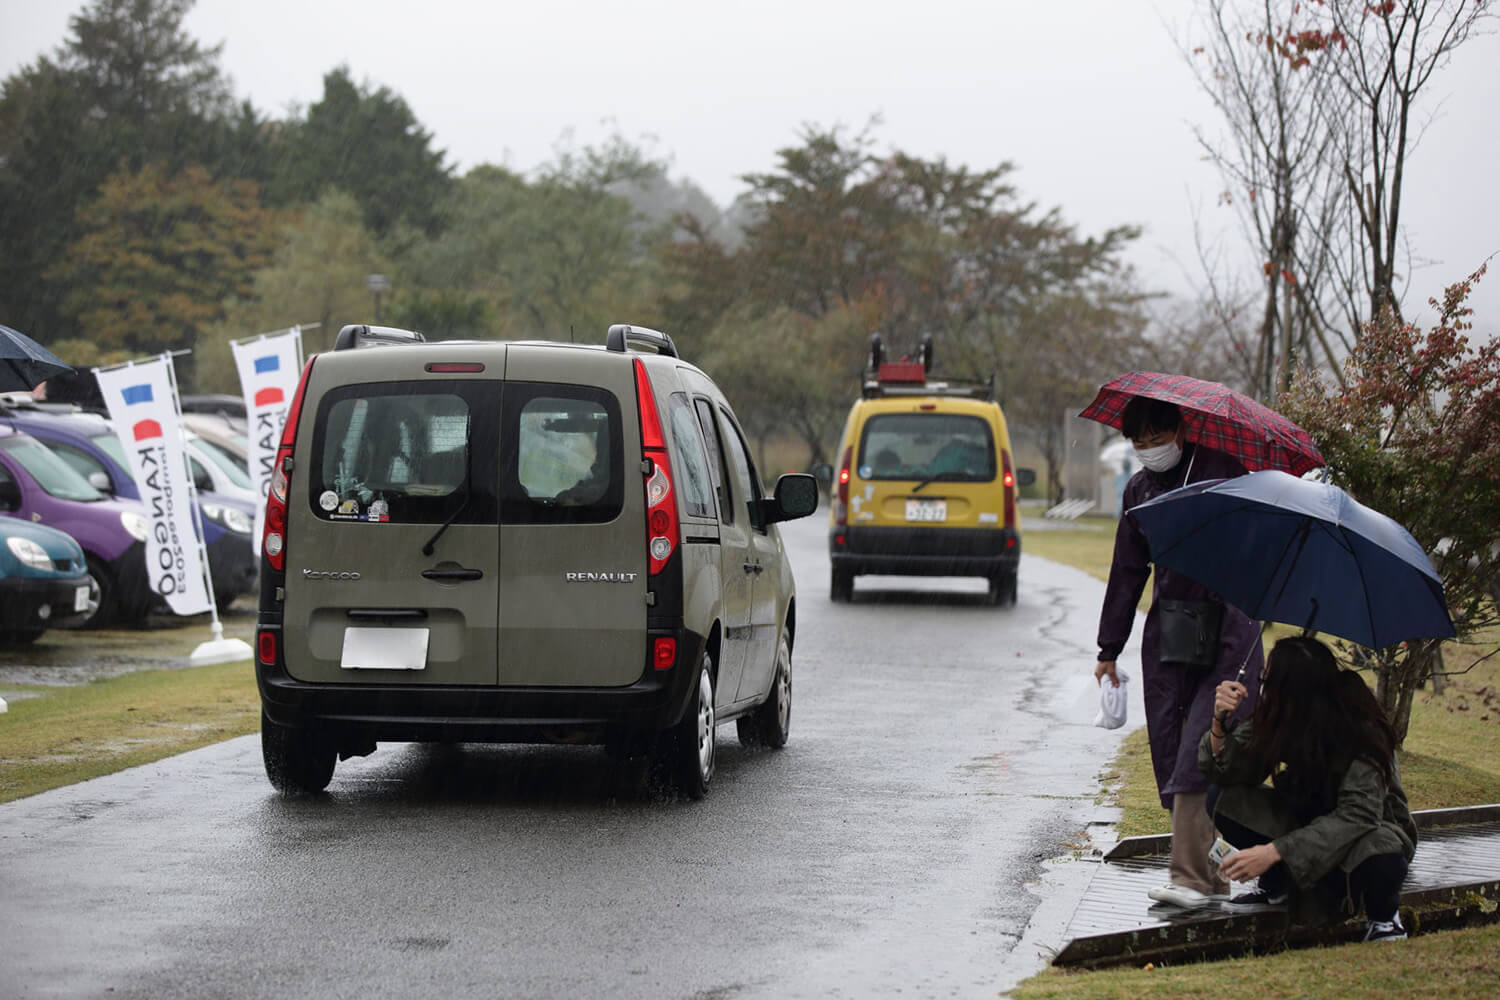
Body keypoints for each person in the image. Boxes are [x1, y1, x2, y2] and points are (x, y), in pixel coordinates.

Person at [1093, 396, 1265, 909]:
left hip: (1229, 624)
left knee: (1201, 748)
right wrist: (1108, 648)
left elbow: (1255, 546)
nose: (1148, 449)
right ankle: (1214, 877)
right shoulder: (1138, 490)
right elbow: (1127, 572)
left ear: (1180, 431)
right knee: (1170, 749)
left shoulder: (1223, 473)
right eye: (1138, 442)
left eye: (1155, 438)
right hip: (1172, 631)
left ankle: (1188, 877)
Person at [1202, 636, 1417, 941]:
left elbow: (1359, 816)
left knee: (1381, 849)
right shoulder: (1282, 714)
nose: (1263, 688)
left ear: (1294, 690)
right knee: (1224, 798)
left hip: (1363, 832)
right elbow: (1229, 773)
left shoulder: (1363, 730)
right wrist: (1220, 722)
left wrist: (1274, 851)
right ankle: (1277, 886)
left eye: (1270, 680)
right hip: (1306, 818)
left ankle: (1384, 918)